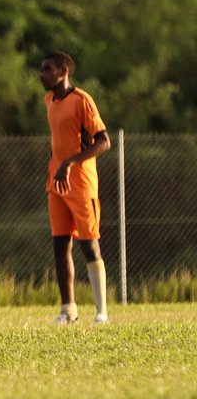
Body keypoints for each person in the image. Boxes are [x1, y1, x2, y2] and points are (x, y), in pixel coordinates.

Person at [40, 51, 111, 325]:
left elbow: (103, 141)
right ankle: (68, 311)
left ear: (63, 71)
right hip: (56, 183)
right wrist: (56, 165)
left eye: (48, 69)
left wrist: (69, 162)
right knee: (60, 245)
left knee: (89, 245)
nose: (42, 74)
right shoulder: (49, 101)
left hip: (81, 183)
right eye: (42, 69)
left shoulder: (81, 100)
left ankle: (101, 312)